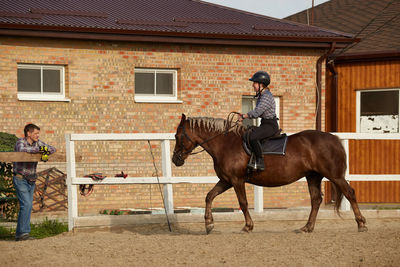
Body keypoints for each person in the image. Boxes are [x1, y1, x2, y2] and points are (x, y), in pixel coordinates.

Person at [13, 123, 56, 241]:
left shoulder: (38, 143)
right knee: (26, 204)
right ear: (29, 133)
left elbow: (53, 148)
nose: (38, 135)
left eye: (38, 133)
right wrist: (40, 150)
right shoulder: (20, 142)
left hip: (31, 180)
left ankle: (20, 234)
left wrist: (45, 151)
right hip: (20, 178)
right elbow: (22, 150)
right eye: (36, 133)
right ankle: (23, 234)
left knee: (27, 205)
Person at [239, 71, 279, 171]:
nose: (253, 85)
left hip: (270, 126)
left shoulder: (266, 96)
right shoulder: (262, 95)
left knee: (252, 137)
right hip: (264, 124)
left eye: (255, 83)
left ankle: (260, 162)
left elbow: (257, 112)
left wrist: (245, 116)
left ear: (261, 84)